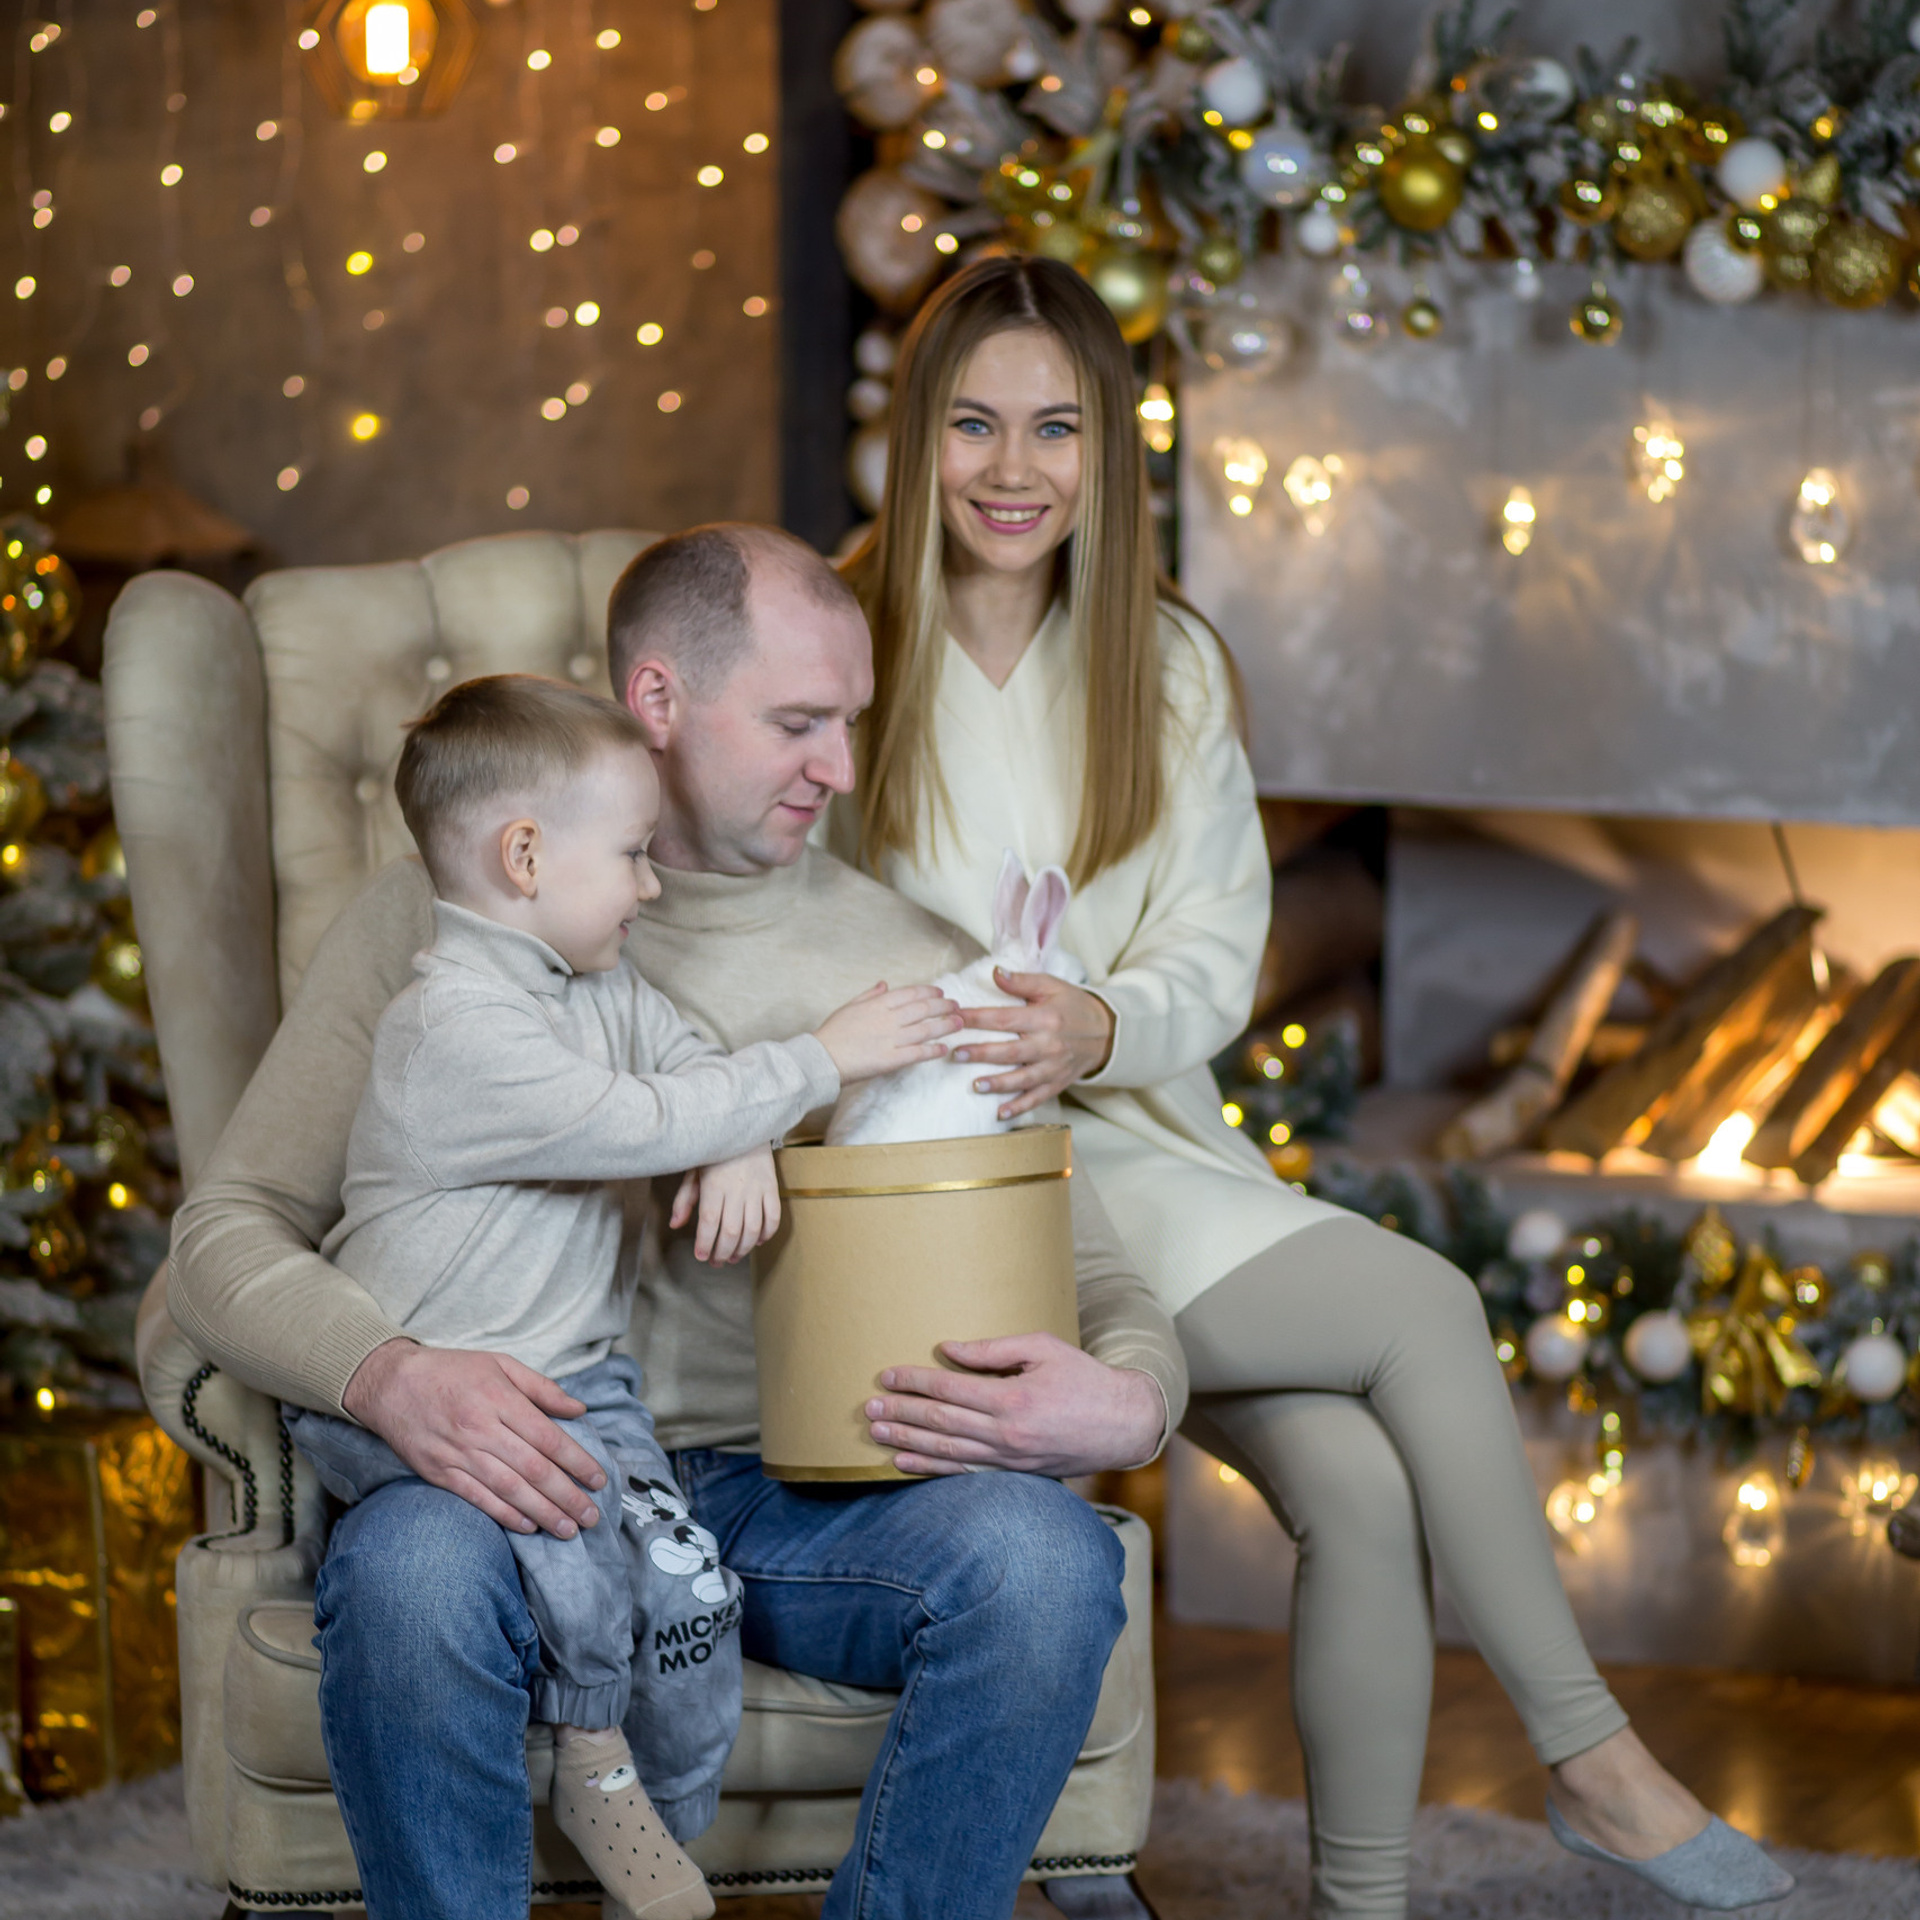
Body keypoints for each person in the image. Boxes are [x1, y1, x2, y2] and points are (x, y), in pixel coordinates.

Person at [832, 253, 1796, 1920]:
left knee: (1355, 1486)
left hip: (1139, 1145)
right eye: (974, 423)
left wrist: (1100, 1027)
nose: (1011, 469)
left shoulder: (1170, 664)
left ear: (1109, 451)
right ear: (916, 434)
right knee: (1423, 1307)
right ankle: (1595, 1761)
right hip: (947, 1184)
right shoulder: (844, 648)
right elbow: (769, 917)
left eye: (1055, 428)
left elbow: (1216, 950)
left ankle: (1364, 1908)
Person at [167, 522, 1187, 1920]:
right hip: (518, 1469)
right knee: (405, 1577)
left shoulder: (911, 969)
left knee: (1045, 1562)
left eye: (850, 723)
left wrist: (1132, 1405)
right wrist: (385, 1377)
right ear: (658, 704)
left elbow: (1098, 1269)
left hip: (805, 1499)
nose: (838, 767)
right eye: (796, 722)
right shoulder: (443, 929)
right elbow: (228, 1228)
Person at [283, 673, 962, 1920]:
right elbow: (629, 1121)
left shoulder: (600, 986)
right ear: (527, 855)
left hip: (580, 1387)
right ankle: (591, 1758)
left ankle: (662, 1808)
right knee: (578, 1556)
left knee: (688, 1582)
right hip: (422, 1388)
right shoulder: (453, 1027)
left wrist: (739, 1138)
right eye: (636, 856)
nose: (655, 884)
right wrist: (823, 1061)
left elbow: (686, 1071)